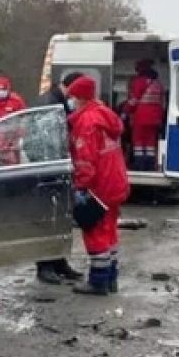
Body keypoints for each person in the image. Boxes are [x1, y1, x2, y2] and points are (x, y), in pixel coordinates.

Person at [65, 75, 130, 295]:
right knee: (110, 231)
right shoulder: (105, 116)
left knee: (96, 232)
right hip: (115, 182)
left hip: (98, 186)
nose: (71, 101)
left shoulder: (86, 122)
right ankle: (111, 277)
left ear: (81, 97)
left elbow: (85, 162)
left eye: (73, 97)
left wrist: (80, 187)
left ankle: (98, 281)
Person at [29, 71, 88, 285]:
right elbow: (39, 140)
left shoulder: (58, 101)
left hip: (59, 168)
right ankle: (45, 266)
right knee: (48, 218)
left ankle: (58, 261)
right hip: (47, 170)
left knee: (60, 218)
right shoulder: (49, 105)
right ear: (68, 87)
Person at [121, 60, 164, 171]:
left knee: (138, 141)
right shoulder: (157, 84)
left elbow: (133, 100)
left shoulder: (139, 81)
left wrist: (125, 111)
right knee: (150, 142)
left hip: (141, 118)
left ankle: (139, 164)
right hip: (155, 118)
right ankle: (149, 164)